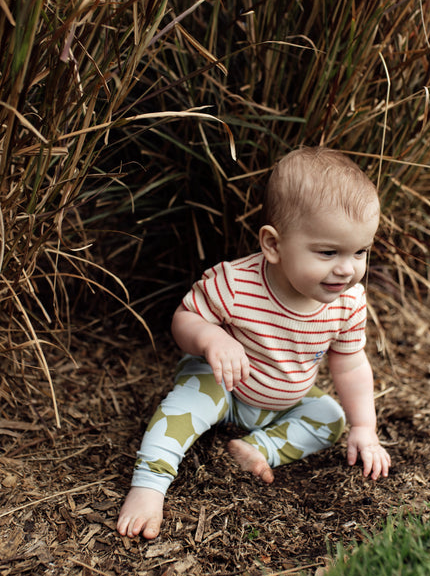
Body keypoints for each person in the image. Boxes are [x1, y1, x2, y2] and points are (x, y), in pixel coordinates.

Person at [117, 146, 391, 540]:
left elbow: (349, 364)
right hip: (225, 384)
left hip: (283, 400)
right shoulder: (236, 284)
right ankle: (149, 485)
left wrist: (364, 426)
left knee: (330, 417)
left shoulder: (347, 302)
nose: (347, 269)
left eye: (360, 251)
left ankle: (259, 447)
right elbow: (183, 319)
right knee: (184, 407)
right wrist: (210, 337)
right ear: (274, 245)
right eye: (329, 252)